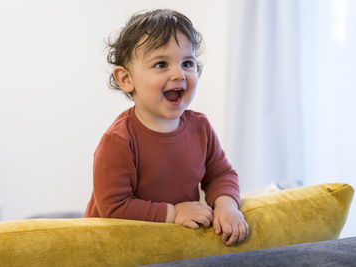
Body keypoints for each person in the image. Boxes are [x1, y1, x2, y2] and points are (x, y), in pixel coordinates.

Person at [85, 9, 249, 246]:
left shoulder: (200, 127)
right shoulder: (118, 140)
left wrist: (226, 204)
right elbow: (114, 206)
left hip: (172, 242)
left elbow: (221, 174)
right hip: (115, 246)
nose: (178, 73)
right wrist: (174, 213)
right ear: (126, 79)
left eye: (187, 63)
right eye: (161, 64)